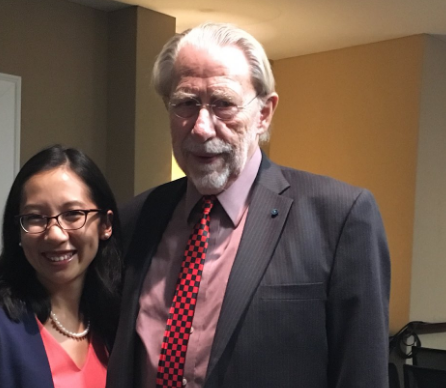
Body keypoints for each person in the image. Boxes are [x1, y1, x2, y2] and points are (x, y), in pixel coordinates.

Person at [107, 23, 390, 388]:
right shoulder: (138, 217)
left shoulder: (339, 217)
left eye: (223, 103)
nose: (201, 128)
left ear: (264, 113)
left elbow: (362, 376)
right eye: (186, 104)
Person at [0, 145, 122, 388]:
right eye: (35, 217)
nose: (55, 234)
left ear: (105, 224)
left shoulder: (118, 323)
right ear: (18, 232)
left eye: (73, 214)